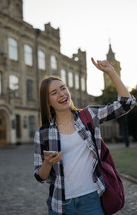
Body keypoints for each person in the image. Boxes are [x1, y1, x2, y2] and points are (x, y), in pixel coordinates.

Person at [34, 58, 136, 215]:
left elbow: (126, 104)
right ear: (47, 101)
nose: (62, 94)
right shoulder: (43, 133)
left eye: (63, 88)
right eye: (54, 93)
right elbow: (40, 176)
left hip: (91, 200)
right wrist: (47, 164)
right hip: (60, 205)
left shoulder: (88, 115)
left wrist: (111, 72)